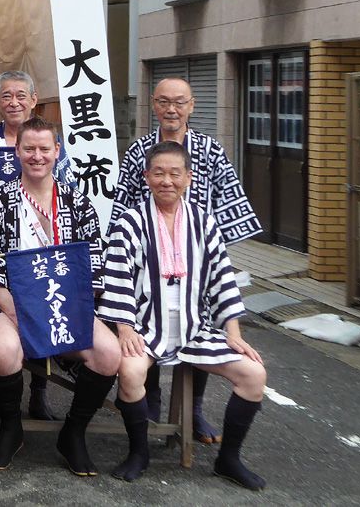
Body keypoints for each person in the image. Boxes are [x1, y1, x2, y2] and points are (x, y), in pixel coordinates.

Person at [100, 140, 267, 491]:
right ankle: (139, 452)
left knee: (254, 374)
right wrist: (125, 328)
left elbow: (223, 278)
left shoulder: (204, 222)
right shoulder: (130, 222)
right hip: (147, 327)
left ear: (189, 178)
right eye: (159, 173)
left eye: (175, 173)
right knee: (130, 371)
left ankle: (229, 459)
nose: (167, 181)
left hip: (196, 328)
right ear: (146, 176)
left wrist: (233, 332)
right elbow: (117, 279)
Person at [112, 77, 262, 442]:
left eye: (179, 102)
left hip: (194, 254)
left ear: (191, 105)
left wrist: (207, 244)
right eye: (164, 101)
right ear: (153, 105)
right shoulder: (139, 151)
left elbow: (230, 199)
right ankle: (150, 404)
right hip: (147, 255)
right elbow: (122, 202)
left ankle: (192, 412)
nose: (171, 109)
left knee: (199, 324)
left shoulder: (210, 150)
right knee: (148, 324)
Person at [0, 117, 121, 475]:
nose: (37, 156)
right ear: (17, 151)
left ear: (57, 151)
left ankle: (74, 433)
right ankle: (11, 428)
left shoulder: (78, 202)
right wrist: (19, 313)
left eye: (44, 148)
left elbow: (93, 264)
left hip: (65, 304)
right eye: (29, 148)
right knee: (3, 350)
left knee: (108, 353)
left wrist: (68, 309)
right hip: (11, 304)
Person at [0, 69, 73, 420]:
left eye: (21, 95)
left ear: (33, 100)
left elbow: (66, 194)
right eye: (6, 96)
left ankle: (39, 392)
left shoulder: (52, 144)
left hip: (45, 250)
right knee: (0, 333)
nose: (14, 102)